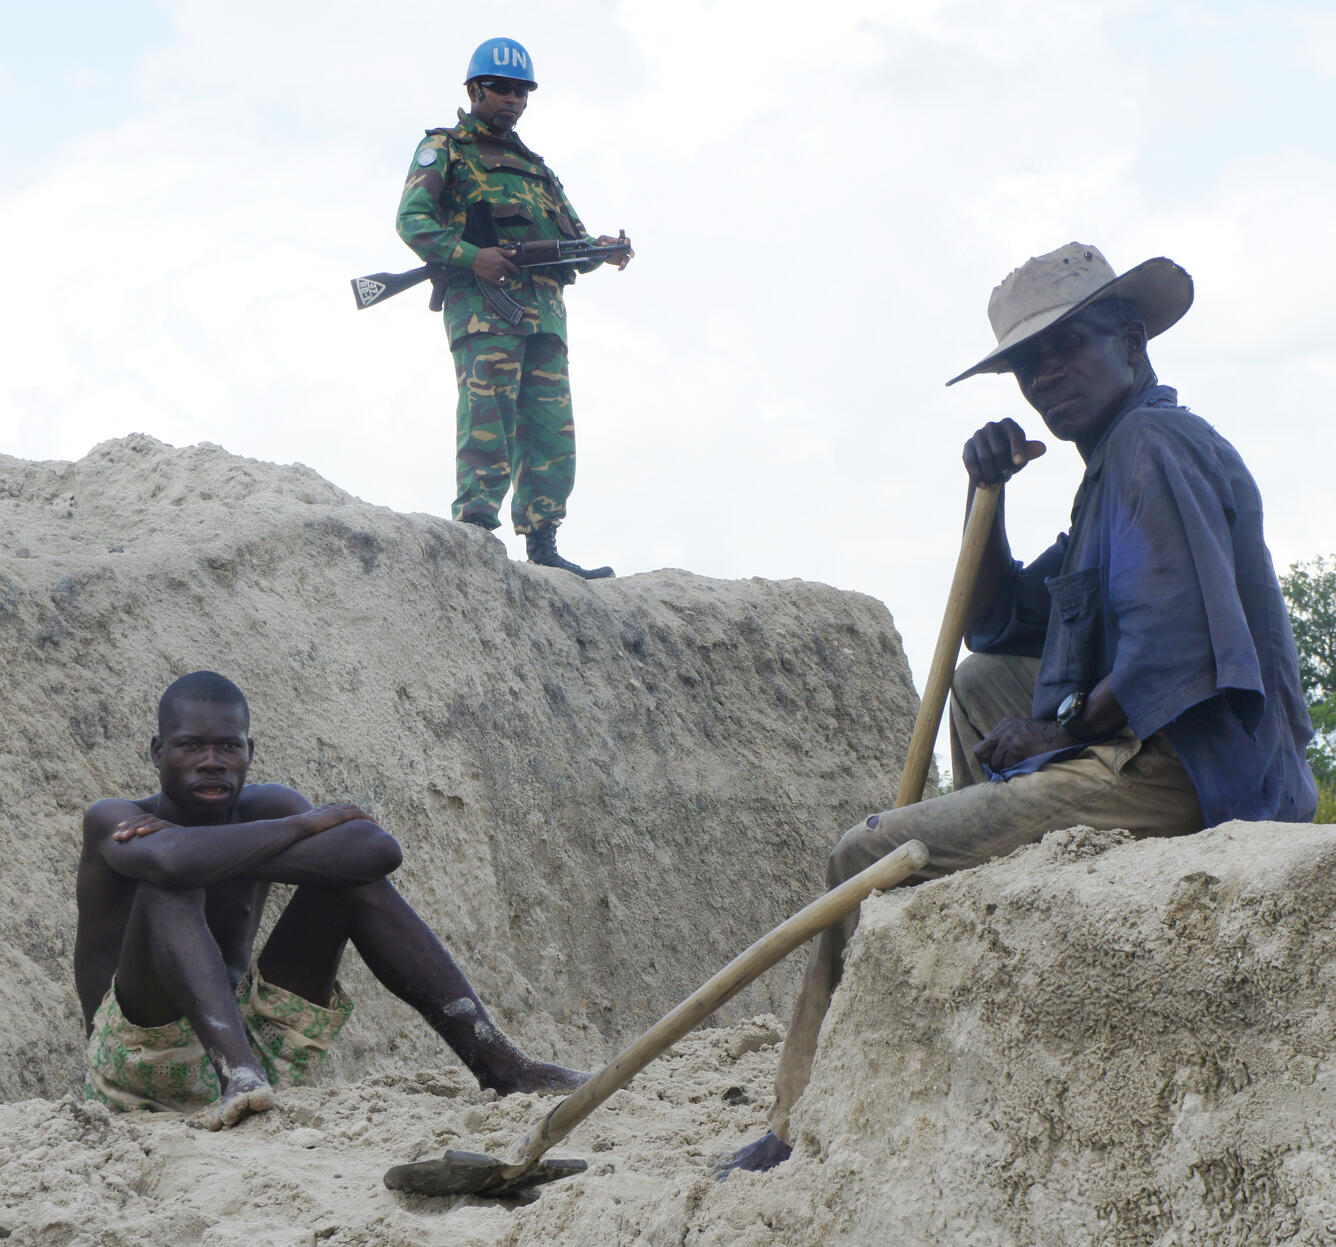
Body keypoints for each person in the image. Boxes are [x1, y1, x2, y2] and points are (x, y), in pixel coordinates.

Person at [716, 241, 1317, 1177]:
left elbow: (1180, 650)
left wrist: (1062, 727)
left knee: (860, 852)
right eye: (1028, 361)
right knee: (979, 679)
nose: (1045, 374)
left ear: (1131, 338)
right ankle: (969, 899)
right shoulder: (1108, 469)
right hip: (1144, 746)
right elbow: (1000, 622)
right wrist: (983, 494)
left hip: (1192, 770)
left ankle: (792, 1126)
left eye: (1068, 344)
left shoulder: (1155, 448)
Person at [75, 670, 585, 1130]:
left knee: (351, 883)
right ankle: (240, 1077)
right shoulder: (113, 818)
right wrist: (301, 827)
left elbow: (375, 851)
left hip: (259, 1038)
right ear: (157, 751)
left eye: (229, 747)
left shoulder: (264, 808)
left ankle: (503, 1066)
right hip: (141, 1060)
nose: (212, 762)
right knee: (167, 888)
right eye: (191, 746)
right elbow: (170, 867)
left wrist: (212, 850)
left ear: (249, 751)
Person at [395, 36, 632, 580]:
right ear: (476, 89)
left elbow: (569, 239)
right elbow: (413, 221)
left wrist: (601, 249)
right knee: (488, 418)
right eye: (502, 89)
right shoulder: (446, 149)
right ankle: (474, 532)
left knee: (551, 428)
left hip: (545, 316)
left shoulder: (537, 169)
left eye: (522, 91)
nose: (514, 100)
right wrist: (472, 256)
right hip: (485, 311)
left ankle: (544, 540)